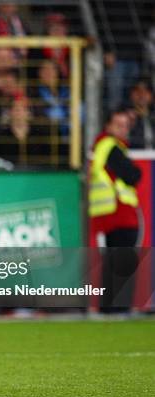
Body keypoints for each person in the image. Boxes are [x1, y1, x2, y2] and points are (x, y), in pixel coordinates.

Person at [88, 109, 142, 311]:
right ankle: (118, 308)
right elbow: (133, 175)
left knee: (113, 263)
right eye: (118, 125)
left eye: (125, 125)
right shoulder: (111, 146)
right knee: (122, 263)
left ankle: (109, 307)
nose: (123, 130)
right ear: (108, 126)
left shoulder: (104, 146)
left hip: (109, 213)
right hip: (119, 213)